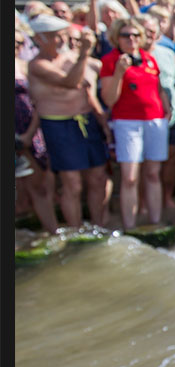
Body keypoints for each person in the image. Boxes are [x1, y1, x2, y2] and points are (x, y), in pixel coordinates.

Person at [26, 14, 111, 228]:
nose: (62, 39)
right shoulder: (37, 65)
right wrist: (83, 54)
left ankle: (99, 227)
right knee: (72, 183)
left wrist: (103, 121)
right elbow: (69, 83)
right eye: (56, 36)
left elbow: (99, 74)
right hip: (58, 125)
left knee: (98, 177)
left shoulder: (72, 58)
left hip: (86, 121)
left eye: (63, 34)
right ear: (40, 38)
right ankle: (76, 231)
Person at [99, 16, 169, 230]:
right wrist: (120, 72)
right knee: (130, 177)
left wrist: (167, 109)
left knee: (153, 173)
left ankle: (155, 222)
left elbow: (158, 88)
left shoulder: (149, 59)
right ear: (116, 38)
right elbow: (109, 99)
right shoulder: (110, 61)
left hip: (154, 120)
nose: (131, 39)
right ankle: (130, 226)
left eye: (135, 35)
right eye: (126, 35)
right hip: (127, 122)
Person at [15, 26, 59, 233]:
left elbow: (37, 103)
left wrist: (29, 134)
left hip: (28, 132)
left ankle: (52, 232)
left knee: (40, 186)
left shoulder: (25, 66)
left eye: (19, 43)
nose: (15, 47)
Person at [139, 13, 175, 210]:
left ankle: (167, 196)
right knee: (146, 162)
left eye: (152, 30)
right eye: (145, 30)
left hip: (173, 114)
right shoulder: (132, 56)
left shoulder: (167, 53)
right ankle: (142, 201)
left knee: (172, 157)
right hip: (146, 115)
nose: (149, 34)